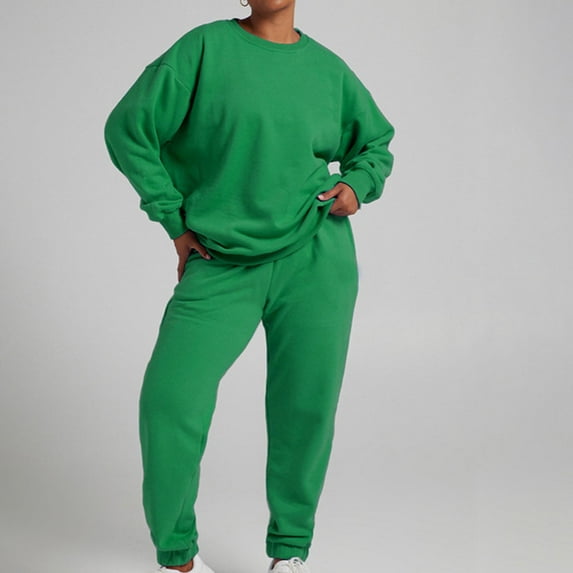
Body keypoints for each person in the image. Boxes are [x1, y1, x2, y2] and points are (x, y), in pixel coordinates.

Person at [103, 1, 395, 572]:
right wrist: (173, 221)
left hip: (317, 258)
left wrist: (357, 185)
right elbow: (127, 128)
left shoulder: (328, 69)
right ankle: (178, 557)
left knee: (304, 408)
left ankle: (290, 551)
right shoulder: (204, 49)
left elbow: (375, 143)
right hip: (221, 258)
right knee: (170, 400)